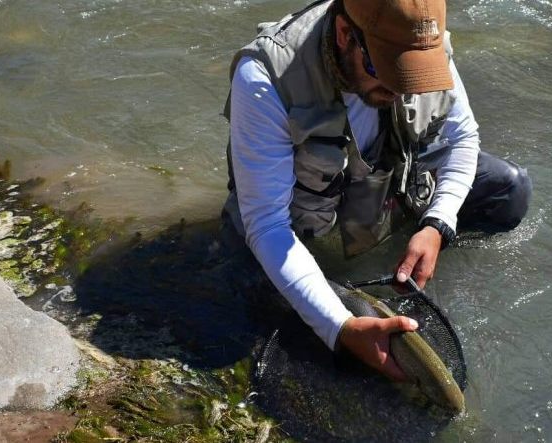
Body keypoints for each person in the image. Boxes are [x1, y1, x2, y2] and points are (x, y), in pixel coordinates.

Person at [220, 0, 532, 381]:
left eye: (413, 74)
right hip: (287, 222)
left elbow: (463, 139)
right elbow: (267, 224)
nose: (402, 88)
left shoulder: (423, 40)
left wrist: (437, 225)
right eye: (386, 68)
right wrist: (342, 328)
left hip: (381, 187)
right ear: (345, 35)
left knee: (508, 190)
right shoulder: (265, 78)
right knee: (272, 319)